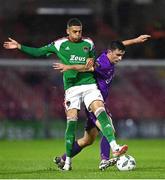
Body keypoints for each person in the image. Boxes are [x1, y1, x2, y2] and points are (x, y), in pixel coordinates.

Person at [4, 18, 133, 171]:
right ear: (68, 31)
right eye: (75, 31)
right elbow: (38, 52)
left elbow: (93, 62)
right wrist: (19, 46)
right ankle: (70, 162)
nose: (78, 34)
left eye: (80, 31)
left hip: (89, 85)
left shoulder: (89, 43)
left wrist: (79, 64)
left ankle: (112, 149)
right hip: (72, 88)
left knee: (94, 126)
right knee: (74, 123)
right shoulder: (59, 44)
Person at [53, 35, 151, 170]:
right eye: (118, 55)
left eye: (122, 55)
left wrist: (135, 40)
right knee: (109, 128)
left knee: (88, 140)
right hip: (93, 101)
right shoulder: (103, 64)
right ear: (110, 52)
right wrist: (69, 67)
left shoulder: (108, 54)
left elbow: (118, 44)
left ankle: (63, 159)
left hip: (98, 100)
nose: (120, 58)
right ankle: (104, 160)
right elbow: (87, 68)